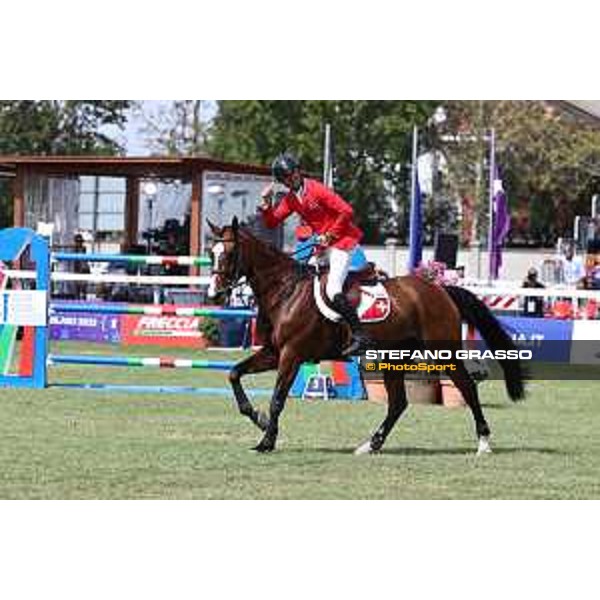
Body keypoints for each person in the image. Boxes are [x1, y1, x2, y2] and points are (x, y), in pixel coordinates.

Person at [259, 152, 372, 356]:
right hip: (323, 245)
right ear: (283, 182)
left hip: (342, 241)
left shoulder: (316, 189)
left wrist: (329, 235)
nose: (292, 178)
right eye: (287, 177)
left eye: (293, 173)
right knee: (301, 279)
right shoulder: (292, 199)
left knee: (333, 288)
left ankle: (360, 336)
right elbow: (272, 222)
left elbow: (347, 211)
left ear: (298, 171)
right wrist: (267, 205)